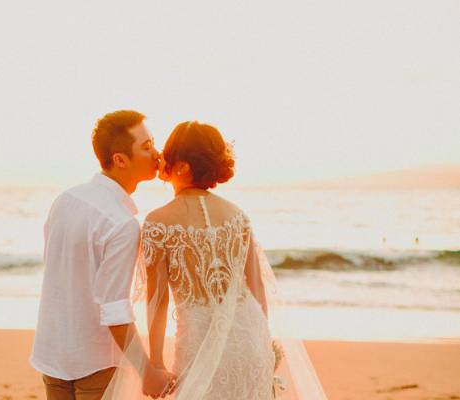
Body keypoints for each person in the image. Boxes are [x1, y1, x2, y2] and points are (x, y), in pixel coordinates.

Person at [102, 121, 328, 399]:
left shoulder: (157, 222)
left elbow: (157, 300)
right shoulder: (237, 216)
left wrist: (157, 363)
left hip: (199, 348)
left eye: (168, 152)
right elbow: (257, 290)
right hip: (251, 342)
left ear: (183, 167)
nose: (161, 157)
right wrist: (264, 343)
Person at [29, 110, 175, 400]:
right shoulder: (121, 223)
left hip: (53, 355)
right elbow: (115, 308)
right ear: (120, 159)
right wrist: (148, 372)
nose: (156, 154)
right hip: (97, 365)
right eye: (146, 147)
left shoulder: (65, 200)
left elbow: (59, 271)